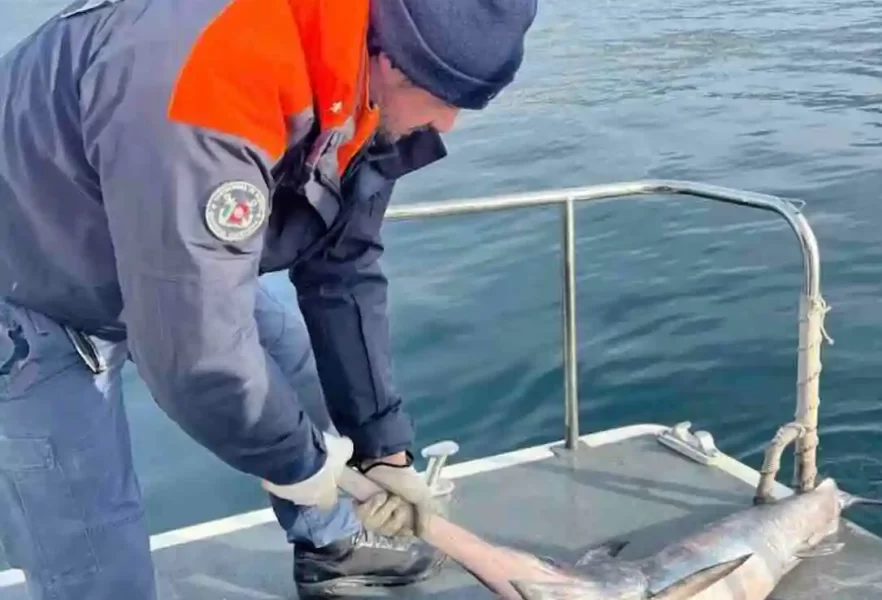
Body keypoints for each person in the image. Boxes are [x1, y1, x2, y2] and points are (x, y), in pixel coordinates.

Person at [0, 0, 537, 598]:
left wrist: (380, 449)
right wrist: (304, 468)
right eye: (445, 97)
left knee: (298, 374)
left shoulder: (357, 81)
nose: (450, 124)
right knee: (97, 560)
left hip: (154, 241)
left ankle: (331, 546)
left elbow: (342, 265)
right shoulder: (211, 71)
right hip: (28, 283)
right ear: (391, 61)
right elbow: (197, 357)